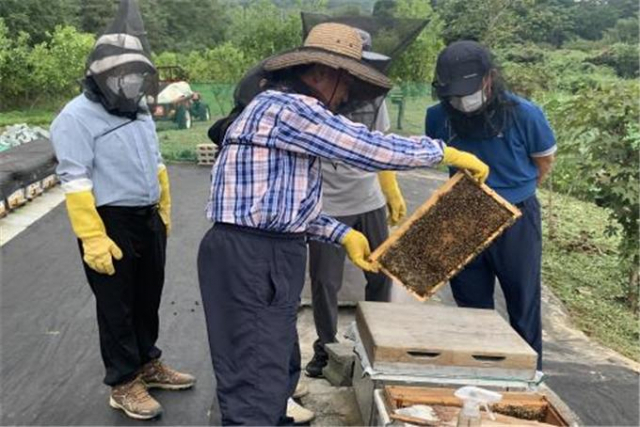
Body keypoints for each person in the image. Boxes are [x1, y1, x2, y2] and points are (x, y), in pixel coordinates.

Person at [198, 22, 489, 426]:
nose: (348, 94)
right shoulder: (289, 108)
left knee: (274, 361)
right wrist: (444, 153)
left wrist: (340, 232)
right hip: (252, 256)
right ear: (323, 73)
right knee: (253, 374)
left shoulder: (279, 111)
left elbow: (280, 206)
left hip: (264, 250)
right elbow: (366, 147)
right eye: (346, 81)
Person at [50, 0, 194, 420]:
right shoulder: (74, 118)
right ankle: (123, 382)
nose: (129, 81)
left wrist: (163, 203)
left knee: (148, 296)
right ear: (100, 75)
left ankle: (147, 364)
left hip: (147, 216)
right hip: (108, 222)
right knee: (117, 306)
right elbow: (74, 179)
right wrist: (92, 237)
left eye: (134, 74)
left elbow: (154, 158)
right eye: (120, 75)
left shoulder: (138, 106)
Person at [425, 40, 557, 370]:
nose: (461, 100)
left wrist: (510, 193)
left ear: (489, 79)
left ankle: (528, 379)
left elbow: (543, 162)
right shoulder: (437, 117)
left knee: (522, 301)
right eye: (453, 93)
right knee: (471, 306)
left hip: (516, 217)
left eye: (467, 90)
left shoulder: (525, 114)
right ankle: (481, 376)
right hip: (460, 216)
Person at [305, 29, 403, 378]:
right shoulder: (309, 100)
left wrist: (390, 186)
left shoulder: (375, 100)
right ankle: (325, 348)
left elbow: (383, 143)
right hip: (327, 205)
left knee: (381, 274)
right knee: (324, 282)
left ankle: (375, 341)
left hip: (369, 200)